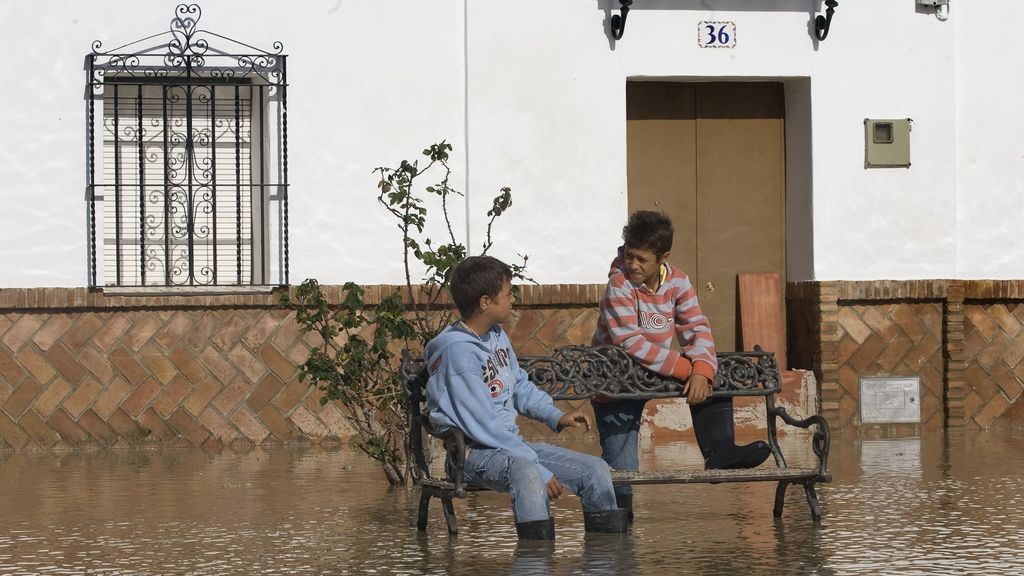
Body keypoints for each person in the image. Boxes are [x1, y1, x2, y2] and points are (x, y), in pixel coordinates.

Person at [425, 255, 629, 540]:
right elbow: (483, 425)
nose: (512, 300)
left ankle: (607, 561)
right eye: (508, 294)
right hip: (472, 454)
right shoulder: (457, 353)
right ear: (485, 302)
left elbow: (518, 384)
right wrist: (538, 468)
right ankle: (537, 561)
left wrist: (556, 415)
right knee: (527, 473)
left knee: (595, 469)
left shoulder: (495, 335)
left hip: (509, 446)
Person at [591, 210, 771, 520]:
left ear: (663, 257)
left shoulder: (678, 281)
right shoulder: (619, 283)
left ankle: (720, 451)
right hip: (615, 380)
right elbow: (629, 342)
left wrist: (701, 369)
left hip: (654, 372)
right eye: (629, 256)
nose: (633, 265)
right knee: (623, 472)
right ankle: (614, 530)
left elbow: (697, 327)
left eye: (642, 260)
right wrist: (687, 369)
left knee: (712, 370)